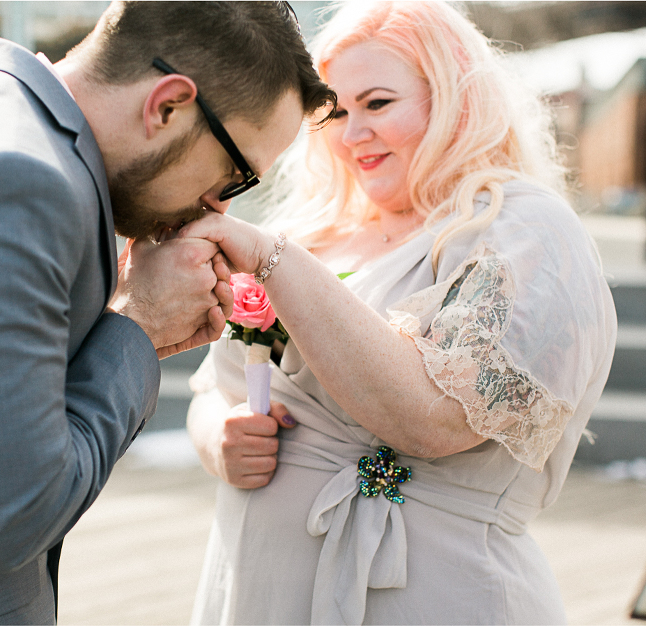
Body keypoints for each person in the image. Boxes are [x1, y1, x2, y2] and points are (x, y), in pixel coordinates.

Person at [0, 2, 335, 623]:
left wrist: (138, 327)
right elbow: (13, 516)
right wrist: (139, 328)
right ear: (167, 105)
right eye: (235, 174)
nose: (216, 208)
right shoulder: (10, 181)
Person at [183, 1, 617, 623]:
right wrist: (215, 440)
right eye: (336, 110)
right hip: (259, 592)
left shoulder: (522, 231)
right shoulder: (307, 234)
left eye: (378, 104)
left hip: (429, 593)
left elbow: (434, 420)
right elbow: (211, 389)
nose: (353, 133)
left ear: (453, 102)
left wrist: (275, 260)